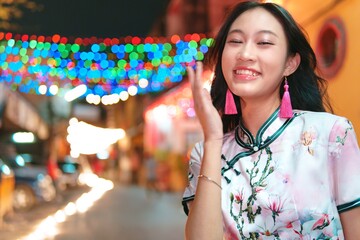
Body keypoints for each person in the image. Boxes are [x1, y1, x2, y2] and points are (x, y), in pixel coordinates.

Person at [182, 1, 360, 240]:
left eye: (264, 42)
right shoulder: (205, 154)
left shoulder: (331, 134)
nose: (245, 54)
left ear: (290, 63)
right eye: (235, 41)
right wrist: (213, 140)